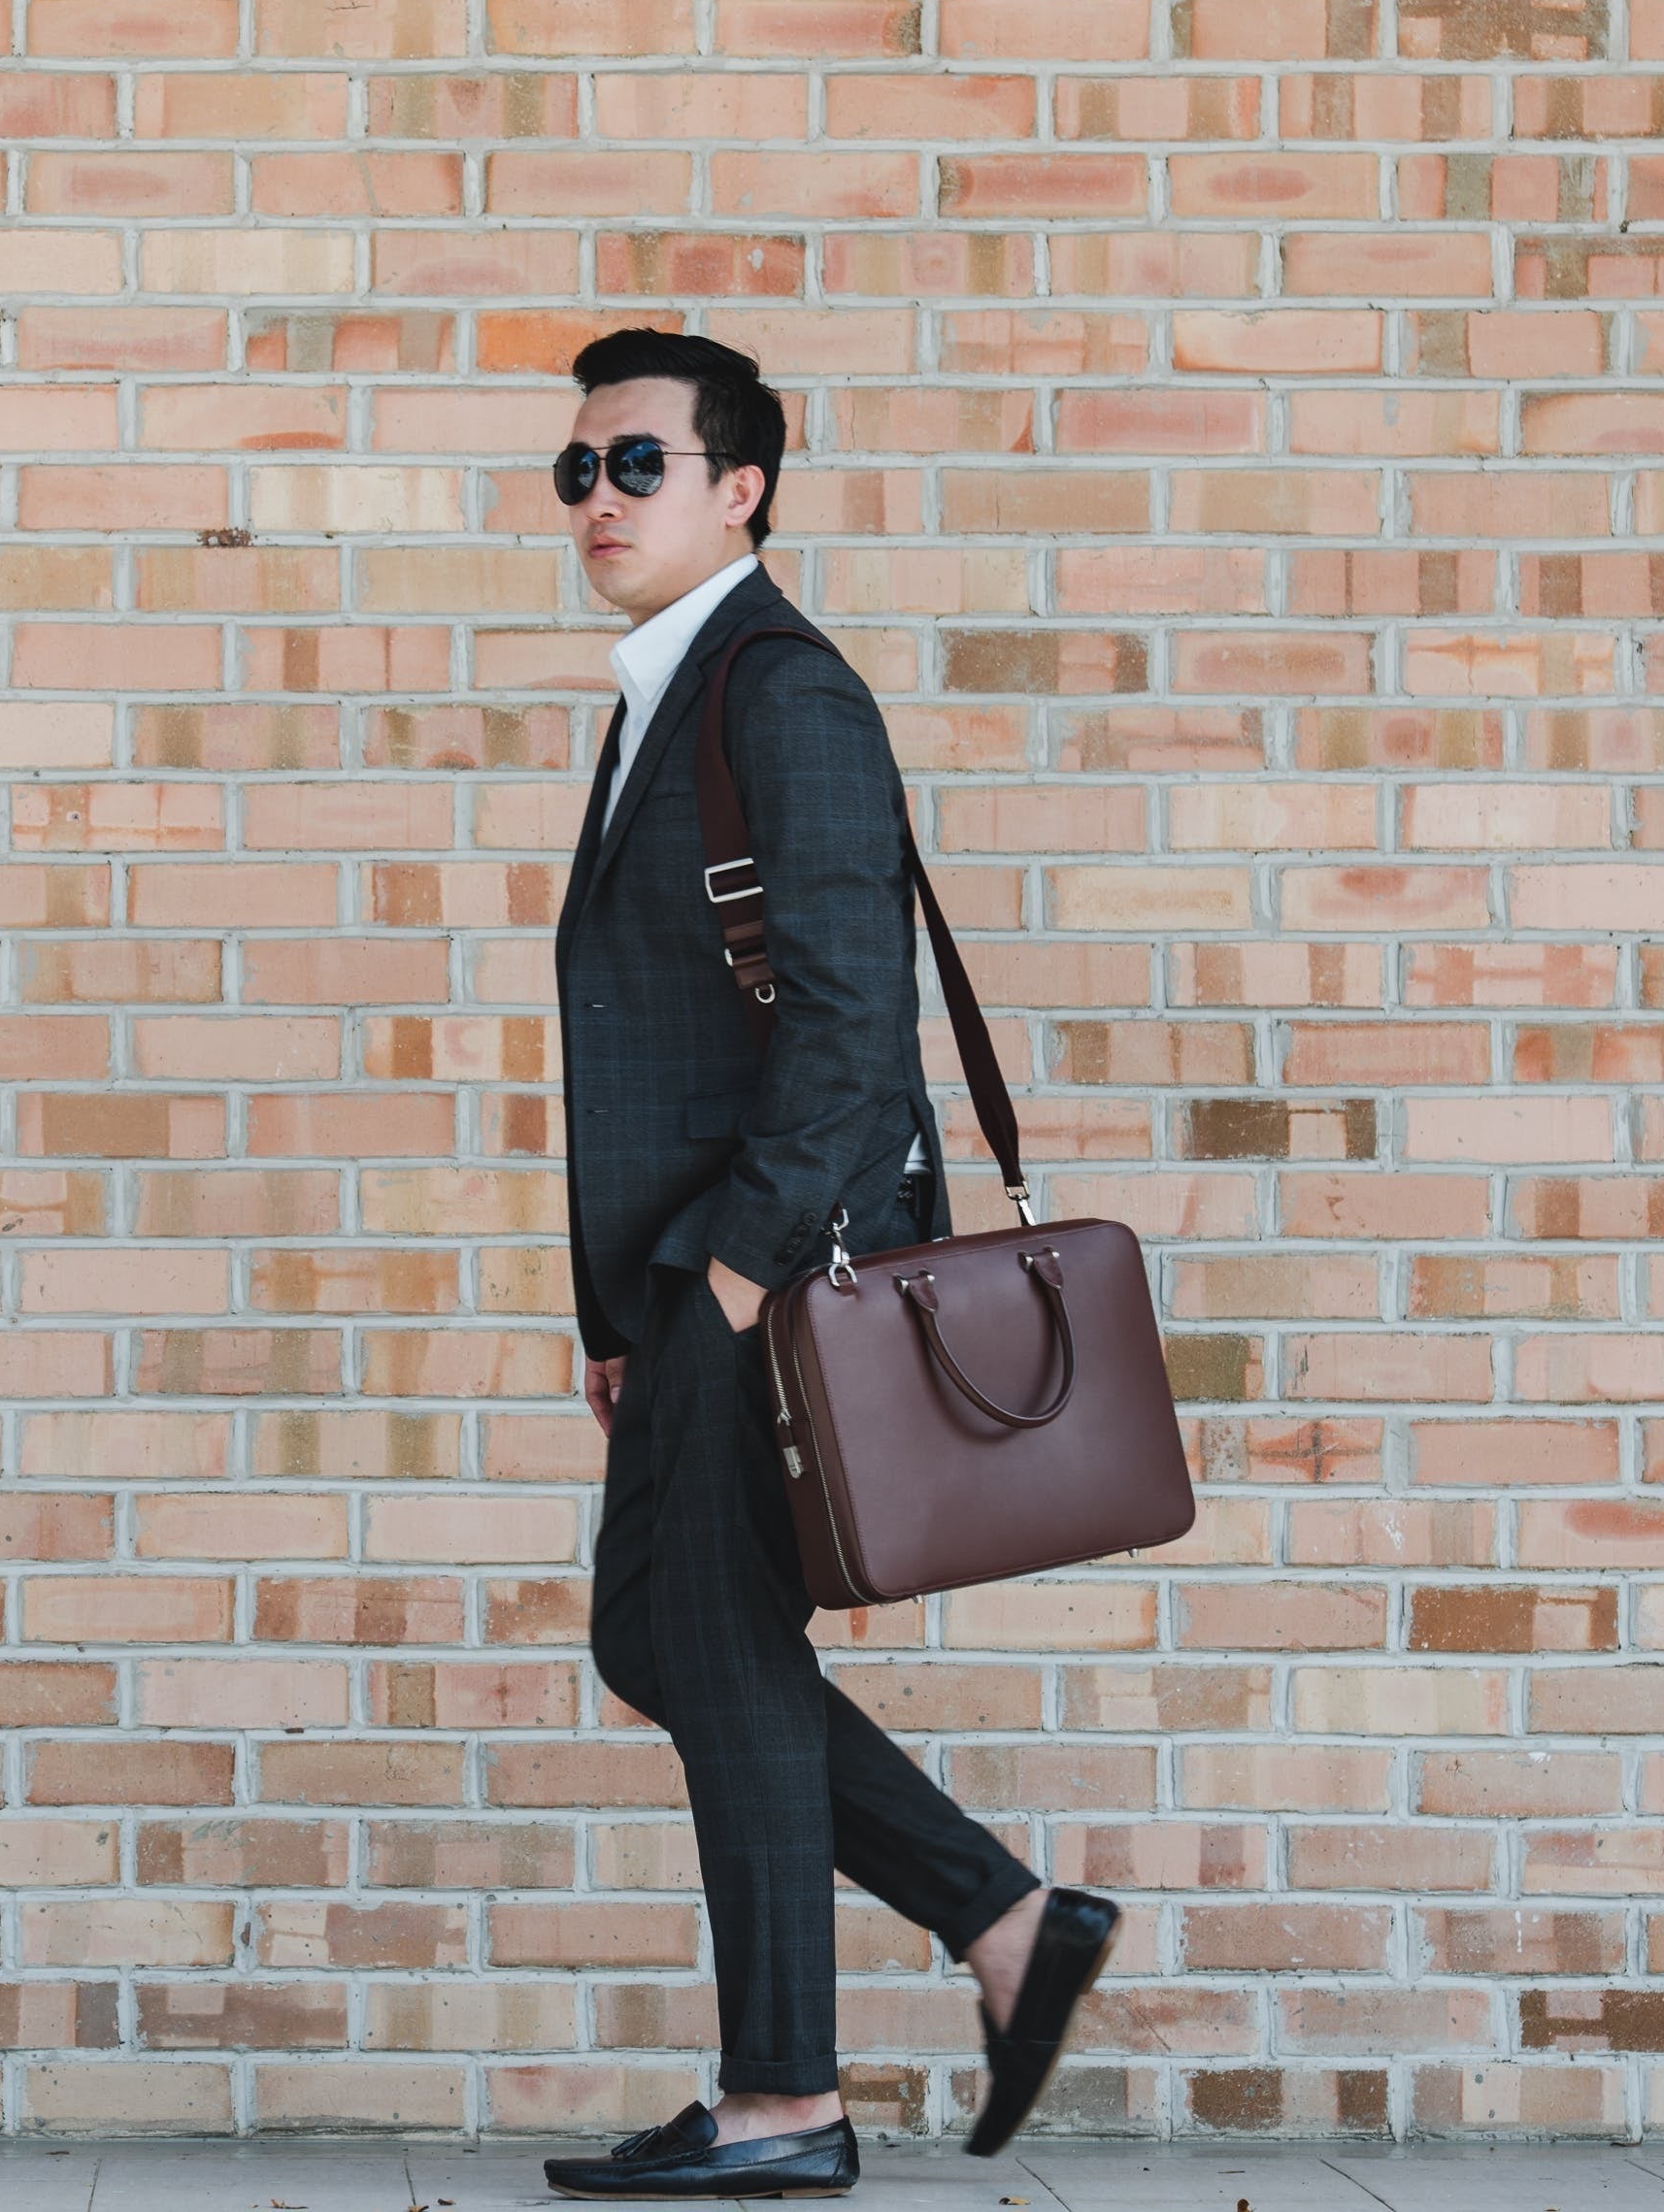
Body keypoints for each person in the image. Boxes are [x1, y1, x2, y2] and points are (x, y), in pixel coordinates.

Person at [534, 329, 1118, 2202]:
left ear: (741, 489)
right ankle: (1004, 1919)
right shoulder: (679, 689)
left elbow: (854, 1017)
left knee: (708, 1642)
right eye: (578, 469)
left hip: (756, 1264)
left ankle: (787, 2092)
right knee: (660, 1634)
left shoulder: (779, 690)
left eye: (637, 463)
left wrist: (722, 1282)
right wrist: (620, 1308)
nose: (599, 498)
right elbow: (661, 1032)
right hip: (688, 1274)